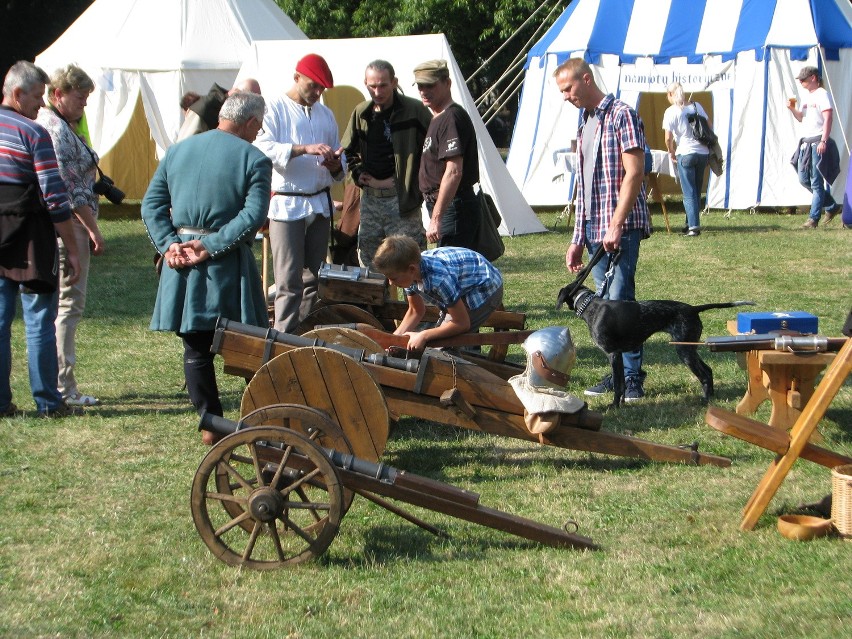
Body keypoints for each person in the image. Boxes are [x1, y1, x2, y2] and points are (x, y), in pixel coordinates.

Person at [141, 92, 271, 444]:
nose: (258, 134)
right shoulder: (255, 159)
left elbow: (150, 205)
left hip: (181, 264)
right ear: (251, 123)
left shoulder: (178, 151)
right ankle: (261, 417)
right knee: (250, 346)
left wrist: (170, 244)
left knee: (196, 349)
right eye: (258, 127)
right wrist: (208, 246)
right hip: (226, 268)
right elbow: (253, 216)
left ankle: (211, 424)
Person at [554, 58, 652, 402]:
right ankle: (618, 375)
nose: (566, 97)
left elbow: (635, 173)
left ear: (586, 79)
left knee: (622, 303)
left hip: (619, 228)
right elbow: (583, 186)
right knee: (605, 309)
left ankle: (632, 377)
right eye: (562, 92)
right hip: (594, 229)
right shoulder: (585, 122)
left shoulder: (622, 114)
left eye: (568, 89)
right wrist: (577, 238)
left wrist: (616, 223)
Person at [0, 61, 82, 418]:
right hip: (31, 239)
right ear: (17, 94)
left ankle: (1, 403)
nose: (40, 104)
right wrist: (74, 250)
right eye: (36, 97)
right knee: (38, 320)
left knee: (1, 321)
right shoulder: (34, 134)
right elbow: (54, 197)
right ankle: (48, 401)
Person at [254, 53, 345, 333]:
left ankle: (300, 335)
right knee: (288, 280)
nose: (317, 92)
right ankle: (281, 339)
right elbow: (261, 149)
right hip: (286, 204)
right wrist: (303, 148)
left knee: (313, 279)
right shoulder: (274, 109)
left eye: (321, 88)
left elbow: (339, 165)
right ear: (297, 78)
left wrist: (334, 164)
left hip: (318, 203)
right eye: (313, 86)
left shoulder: (326, 115)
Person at [37, 64, 106, 407]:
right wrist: (93, 229)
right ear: (58, 95)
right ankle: (65, 386)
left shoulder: (63, 124)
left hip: (70, 222)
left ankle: (61, 382)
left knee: (63, 306)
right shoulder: (57, 130)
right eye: (81, 97)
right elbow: (69, 189)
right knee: (69, 305)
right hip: (71, 225)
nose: (85, 104)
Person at [341, 59, 432, 268]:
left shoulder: (414, 110)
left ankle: (417, 302)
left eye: (383, 85)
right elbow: (347, 150)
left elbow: (433, 150)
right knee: (371, 261)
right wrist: (357, 173)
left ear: (394, 82)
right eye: (372, 86)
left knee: (412, 260)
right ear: (365, 83)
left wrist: (417, 182)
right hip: (371, 200)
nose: (377, 91)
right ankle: (376, 301)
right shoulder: (361, 112)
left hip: (402, 200)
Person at [372, 235, 503, 352]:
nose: (390, 282)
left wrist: (423, 335)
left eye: (393, 278)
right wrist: (393, 340)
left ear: (412, 269)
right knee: (435, 341)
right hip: (462, 284)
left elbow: (462, 323)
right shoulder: (409, 274)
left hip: (485, 287)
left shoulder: (439, 279)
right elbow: (415, 311)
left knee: (442, 345)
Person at [414, 59, 480, 249]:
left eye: (430, 85)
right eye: (420, 86)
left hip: (454, 207)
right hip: (447, 206)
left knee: (452, 270)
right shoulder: (439, 116)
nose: (424, 91)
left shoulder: (451, 117)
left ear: (447, 83)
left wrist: (437, 217)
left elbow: (453, 172)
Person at [788, 66, 841, 229]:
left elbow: (828, 118)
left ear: (813, 78)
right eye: (800, 80)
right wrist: (792, 109)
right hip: (806, 142)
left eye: (803, 79)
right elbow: (802, 118)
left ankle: (813, 219)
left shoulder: (822, 95)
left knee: (816, 182)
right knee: (804, 179)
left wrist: (824, 141)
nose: (801, 82)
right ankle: (831, 206)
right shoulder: (807, 97)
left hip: (818, 141)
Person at [662, 82, 710, 237]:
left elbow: (668, 138)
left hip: (685, 152)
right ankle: (690, 222)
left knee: (688, 191)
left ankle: (694, 227)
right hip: (702, 152)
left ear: (671, 94)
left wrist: (671, 151)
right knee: (695, 189)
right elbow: (709, 126)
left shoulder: (671, 111)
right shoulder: (697, 106)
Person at [176, 78, 262, 141]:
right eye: (250, 100)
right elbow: (184, 144)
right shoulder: (205, 108)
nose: (252, 106)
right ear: (236, 92)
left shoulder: (236, 113)